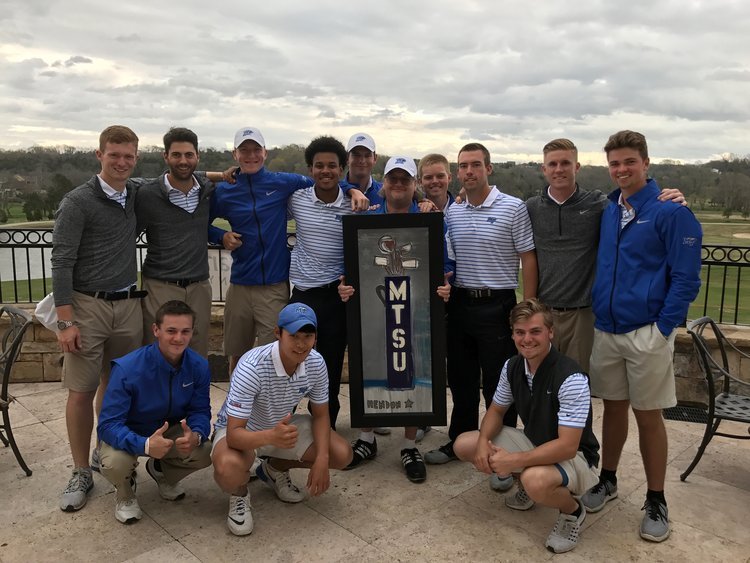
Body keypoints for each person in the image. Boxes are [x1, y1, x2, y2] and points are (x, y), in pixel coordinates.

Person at [581, 130, 702, 542]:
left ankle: (656, 498)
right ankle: (609, 479)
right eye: (614, 163)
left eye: (629, 162)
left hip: (647, 331)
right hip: (607, 328)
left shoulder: (672, 212)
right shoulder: (611, 207)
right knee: (612, 409)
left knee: (648, 416)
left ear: (645, 163)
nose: (621, 170)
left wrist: (663, 328)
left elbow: (686, 279)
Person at [209, 128, 368, 377]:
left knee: (272, 356)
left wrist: (352, 190)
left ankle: (269, 414)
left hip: (274, 286)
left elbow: (326, 179)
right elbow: (200, 222)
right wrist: (220, 236)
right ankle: (234, 412)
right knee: (238, 355)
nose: (250, 155)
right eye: (244, 150)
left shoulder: (284, 183)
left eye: (255, 150)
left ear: (265, 153)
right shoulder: (225, 190)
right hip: (239, 283)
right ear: (235, 154)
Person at [426, 142, 537, 495]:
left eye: (476, 165)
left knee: (498, 386)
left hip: (498, 305)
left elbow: (528, 257)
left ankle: (503, 455)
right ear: (458, 173)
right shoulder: (453, 211)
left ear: (489, 168)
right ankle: (460, 441)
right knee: (460, 381)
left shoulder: (512, 207)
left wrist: (530, 306)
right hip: (460, 303)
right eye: (463, 166)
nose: (469, 172)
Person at [337, 156, 453, 483]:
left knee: (414, 365)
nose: (399, 185)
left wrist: (446, 286)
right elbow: (351, 262)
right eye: (393, 179)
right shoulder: (368, 218)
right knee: (371, 358)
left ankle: (408, 444)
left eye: (405, 179)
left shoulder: (431, 219)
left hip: (416, 306)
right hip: (376, 305)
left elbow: (444, 266)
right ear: (383, 183)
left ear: (414, 185)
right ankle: (367, 437)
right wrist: (344, 286)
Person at [526, 138, 686, 371]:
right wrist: (459, 199)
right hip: (543, 312)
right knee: (539, 386)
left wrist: (673, 197)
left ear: (577, 167)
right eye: (552, 164)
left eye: (565, 163)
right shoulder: (531, 207)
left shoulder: (598, 205)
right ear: (544, 169)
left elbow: (632, 202)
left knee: (577, 387)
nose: (558, 169)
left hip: (582, 315)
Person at [454, 298, 600, 554]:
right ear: (512, 335)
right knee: (464, 444)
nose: (527, 339)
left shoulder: (571, 377)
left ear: (550, 332)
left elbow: (567, 446)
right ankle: (529, 486)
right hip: (537, 442)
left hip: (576, 457)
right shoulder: (512, 366)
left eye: (535, 331)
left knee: (535, 480)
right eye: (520, 332)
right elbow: (496, 411)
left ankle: (572, 511)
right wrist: (481, 444)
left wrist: (513, 461)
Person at [53, 125, 145, 512]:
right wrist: (65, 321)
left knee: (116, 383)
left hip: (127, 304)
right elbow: (61, 260)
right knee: (82, 389)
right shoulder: (78, 202)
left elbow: (175, 175)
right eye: (114, 155)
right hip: (87, 306)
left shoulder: (135, 192)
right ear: (99, 155)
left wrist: (220, 175)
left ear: (136, 157)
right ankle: (80, 471)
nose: (121, 162)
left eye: (128, 156)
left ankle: (101, 451)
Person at [211, 303, 353, 536]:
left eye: (308, 336)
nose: (301, 344)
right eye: (293, 336)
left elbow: (320, 414)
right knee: (229, 469)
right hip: (242, 431)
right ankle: (239, 494)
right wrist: (270, 437)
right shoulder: (251, 366)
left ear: (316, 337)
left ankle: (273, 469)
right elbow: (235, 434)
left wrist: (322, 458)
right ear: (278, 333)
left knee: (341, 454)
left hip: (280, 427)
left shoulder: (316, 362)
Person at [96, 300, 212, 524]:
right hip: (130, 431)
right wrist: (145, 445)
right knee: (114, 464)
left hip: (168, 430)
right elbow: (107, 425)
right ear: (156, 330)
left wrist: (196, 433)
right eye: (171, 331)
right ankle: (125, 492)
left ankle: (161, 470)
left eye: (185, 331)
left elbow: (200, 410)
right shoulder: (127, 368)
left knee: (204, 450)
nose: (178, 338)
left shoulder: (199, 366)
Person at [136, 127, 238, 357]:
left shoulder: (207, 190)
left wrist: (222, 176)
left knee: (196, 351)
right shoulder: (147, 194)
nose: (183, 161)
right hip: (160, 285)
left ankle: (193, 394)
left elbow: (199, 178)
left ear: (197, 156)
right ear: (166, 157)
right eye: (176, 155)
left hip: (198, 286)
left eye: (189, 155)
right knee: (159, 353)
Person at [287, 136, 355, 429]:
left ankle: (325, 427)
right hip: (303, 296)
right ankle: (282, 423)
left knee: (328, 365)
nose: (325, 171)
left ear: (342, 169)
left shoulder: (356, 204)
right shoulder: (297, 199)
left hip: (336, 298)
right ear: (310, 169)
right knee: (289, 362)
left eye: (331, 165)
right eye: (318, 166)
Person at [345, 132, 384, 207]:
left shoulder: (385, 194)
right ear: (347, 158)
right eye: (356, 155)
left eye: (367, 155)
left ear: (375, 158)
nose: (362, 160)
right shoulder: (335, 191)